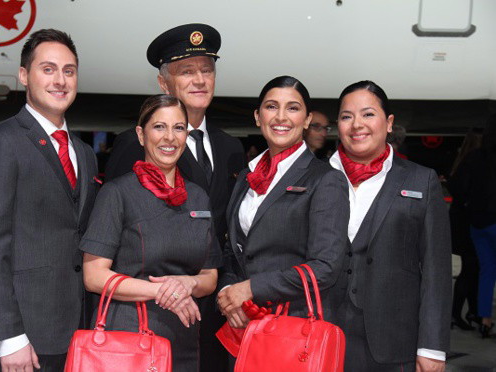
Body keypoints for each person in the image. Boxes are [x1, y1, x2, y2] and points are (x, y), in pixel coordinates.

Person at [104, 23, 245, 371]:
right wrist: (160, 290)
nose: (200, 80)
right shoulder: (134, 145)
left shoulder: (231, 147)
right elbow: (115, 235)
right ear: (164, 82)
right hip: (152, 312)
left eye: (207, 70)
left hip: (216, 308)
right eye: (186, 71)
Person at [0, 29, 99, 372]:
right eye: (48, 69)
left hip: (78, 332)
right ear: (24, 75)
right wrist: (8, 337)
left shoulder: (84, 154)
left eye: (69, 71)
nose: (60, 80)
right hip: (24, 338)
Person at [81, 94, 222, 371]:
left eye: (178, 128)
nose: (169, 137)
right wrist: (161, 291)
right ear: (141, 135)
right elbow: (94, 276)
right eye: (159, 127)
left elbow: (209, 276)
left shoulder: (198, 197)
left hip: (182, 337)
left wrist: (188, 285)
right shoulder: (117, 193)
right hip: (129, 338)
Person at [330, 80, 451, 371]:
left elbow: (437, 270)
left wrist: (432, 347)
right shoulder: (319, 176)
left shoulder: (421, 181)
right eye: (347, 116)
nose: (357, 124)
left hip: (393, 343)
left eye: (368, 114)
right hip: (324, 334)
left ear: (389, 123)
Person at [217, 76, 349, 338]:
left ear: (307, 120)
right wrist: (228, 292)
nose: (281, 117)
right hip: (243, 325)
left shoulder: (324, 179)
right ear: (257, 116)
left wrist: (252, 288)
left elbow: (325, 267)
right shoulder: (246, 177)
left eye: (293, 108)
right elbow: (233, 250)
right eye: (271, 107)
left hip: (294, 329)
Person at [449, 114, 496, 339]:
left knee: (486, 271)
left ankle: (484, 318)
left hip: (477, 223)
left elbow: (457, 185)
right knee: (480, 270)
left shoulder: (475, 157)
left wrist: (470, 205)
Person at [447, 129, 483, 331]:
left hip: (460, 222)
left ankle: (469, 312)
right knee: (471, 269)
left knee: (471, 269)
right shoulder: (473, 163)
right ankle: (461, 313)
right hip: (467, 224)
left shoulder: (461, 163)